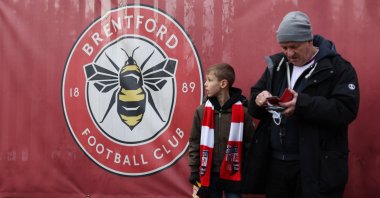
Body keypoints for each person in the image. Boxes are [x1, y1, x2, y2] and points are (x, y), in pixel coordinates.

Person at [248, 11, 360, 198]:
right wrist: (259, 100)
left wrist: (302, 104)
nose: (289, 53)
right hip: (276, 167)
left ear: (309, 40)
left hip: (317, 168)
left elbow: (346, 109)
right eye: (284, 47)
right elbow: (253, 105)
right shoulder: (275, 66)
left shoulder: (338, 68)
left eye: (294, 47)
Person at [188, 63, 255, 198]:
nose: (205, 84)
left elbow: (250, 145)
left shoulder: (243, 112)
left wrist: (247, 171)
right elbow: (194, 143)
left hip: (234, 174)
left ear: (223, 84)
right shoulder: (201, 111)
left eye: (210, 80)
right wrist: (195, 171)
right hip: (209, 174)